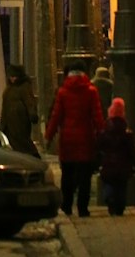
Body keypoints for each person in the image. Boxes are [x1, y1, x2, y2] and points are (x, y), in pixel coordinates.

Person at [45, 64, 105, 217]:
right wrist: (102, 133)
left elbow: (56, 116)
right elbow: (97, 116)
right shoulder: (91, 91)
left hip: (67, 141)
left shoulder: (63, 92)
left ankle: (66, 206)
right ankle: (83, 209)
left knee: (67, 176)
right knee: (85, 177)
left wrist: (49, 136)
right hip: (86, 139)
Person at [97, 97, 135, 216]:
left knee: (108, 183)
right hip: (123, 166)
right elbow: (131, 150)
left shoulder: (105, 131)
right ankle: (120, 207)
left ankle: (109, 199)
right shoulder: (126, 133)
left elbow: (99, 145)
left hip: (108, 164)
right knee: (121, 187)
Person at [0, 63, 39, 156]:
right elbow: (5, 106)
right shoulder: (9, 89)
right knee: (15, 145)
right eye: (11, 76)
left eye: (14, 76)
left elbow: (29, 101)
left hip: (20, 122)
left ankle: (34, 159)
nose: (12, 79)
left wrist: (32, 114)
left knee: (23, 142)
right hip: (9, 123)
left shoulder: (24, 87)